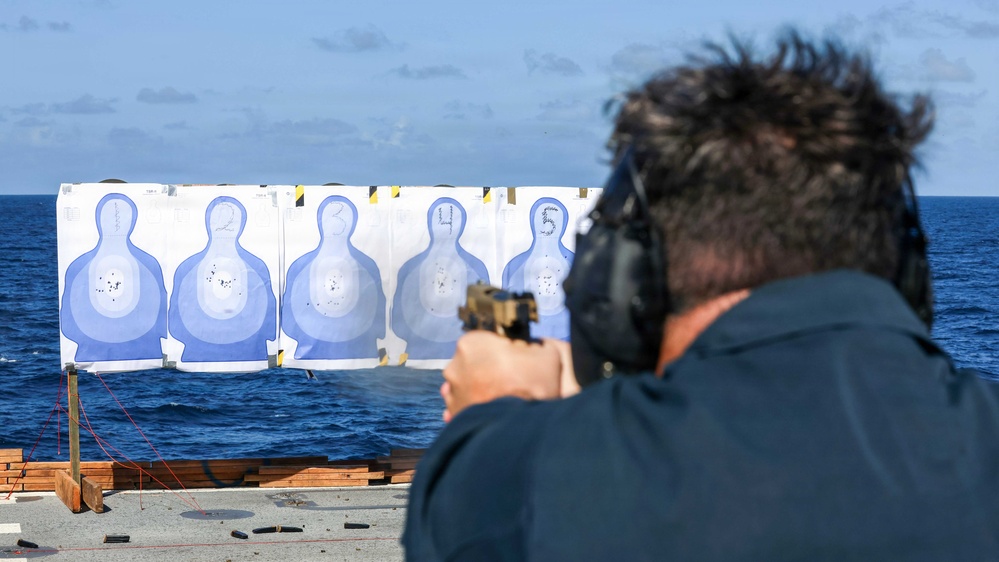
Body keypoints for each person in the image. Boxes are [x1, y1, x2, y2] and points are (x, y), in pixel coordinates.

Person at [403, 32, 999, 561]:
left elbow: (471, 509)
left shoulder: (528, 479)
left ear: (622, 280)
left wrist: (495, 411)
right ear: (907, 273)